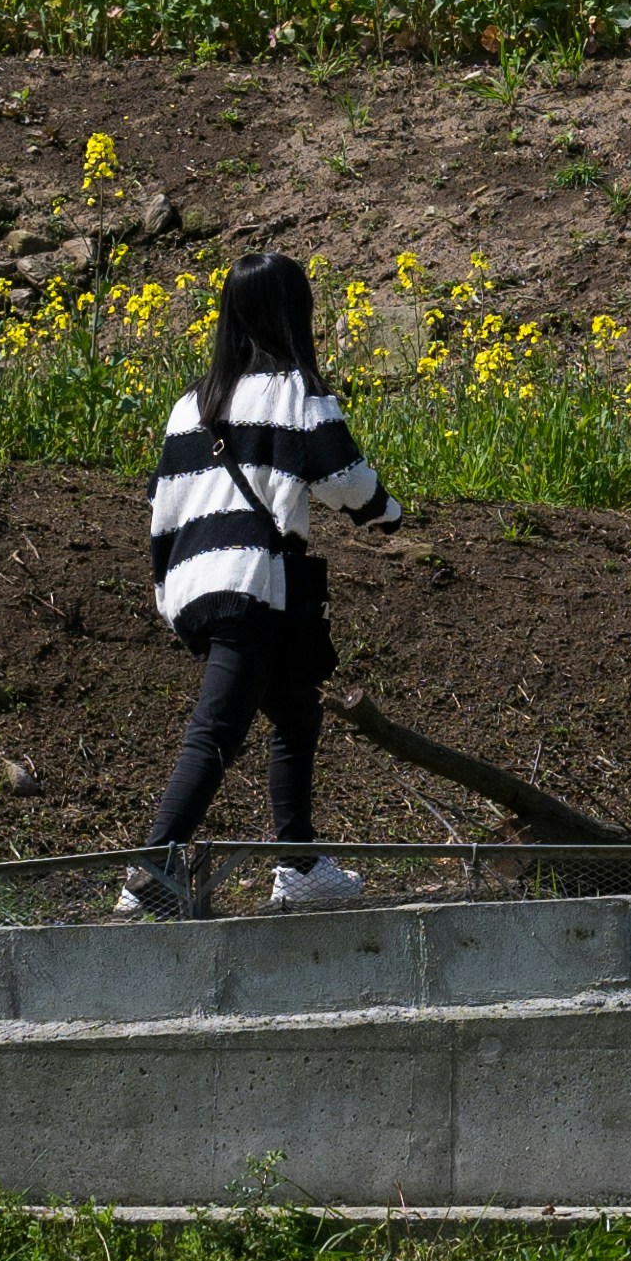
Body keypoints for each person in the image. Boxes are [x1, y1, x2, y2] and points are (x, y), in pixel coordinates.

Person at [123, 251, 401, 907]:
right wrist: (386, 514)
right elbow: (346, 481)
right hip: (253, 585)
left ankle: (299, 864)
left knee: (296, 714)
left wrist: (170, 592)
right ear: (292, 315)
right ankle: (150, 874)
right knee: (217, 729)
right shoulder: (293, 390)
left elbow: (163, 510)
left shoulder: (189, 405)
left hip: (196, 583)